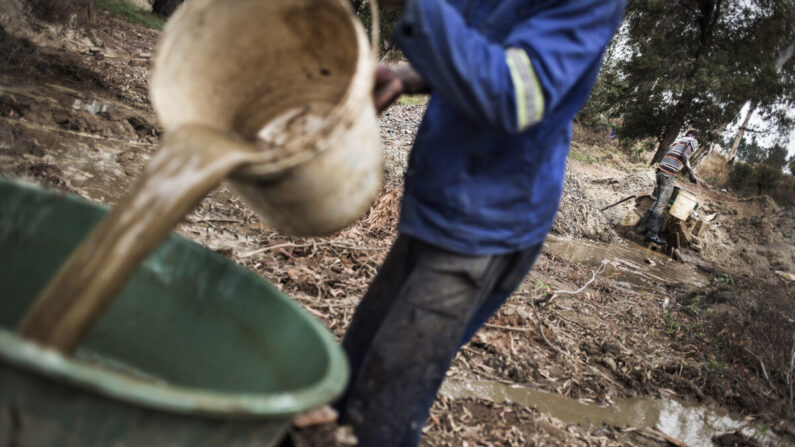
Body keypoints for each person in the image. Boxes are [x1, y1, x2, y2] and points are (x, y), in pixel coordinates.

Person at [335, 1, 626, 445]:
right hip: (440, 197)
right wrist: (411, 75)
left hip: (484, 225)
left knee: (385, 403)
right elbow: (480, 48)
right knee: (350, 372)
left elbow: (515, 92)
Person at [636, 129, 700, 245]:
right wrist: (691, 173)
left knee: (657, 202)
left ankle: (641, 228)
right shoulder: (692, 141)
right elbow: (684, 155)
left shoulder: (679, 141)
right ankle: (652, 234)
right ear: (695, 137)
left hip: (660, 171)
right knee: (662, 204)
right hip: (668, 173)